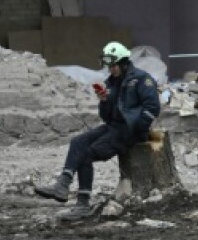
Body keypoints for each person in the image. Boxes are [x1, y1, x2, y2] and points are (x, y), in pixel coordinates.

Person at [35, 41, 160, 220]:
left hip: (129, 131)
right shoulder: (110, 83)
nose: (111, 69)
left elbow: (153, 108)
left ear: (124, 63)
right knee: (77, 142)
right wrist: (104, 101)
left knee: (87, 154)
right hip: (113, 126)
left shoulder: (141, 79)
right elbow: (106, 116)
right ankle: (62, 184)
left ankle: (83, 204)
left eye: (114, 65)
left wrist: (137, 129)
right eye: (109, 66)